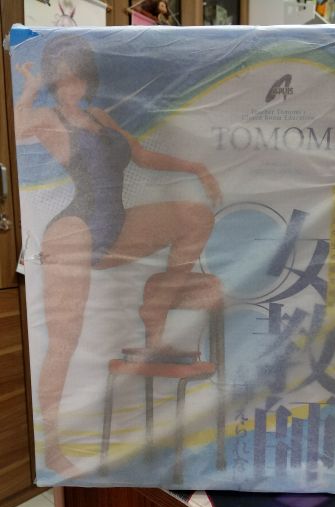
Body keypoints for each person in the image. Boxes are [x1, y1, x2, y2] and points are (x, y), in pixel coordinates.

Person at [15, 35, 222, 477]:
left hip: (117, 223)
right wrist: (29, 91)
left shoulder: (100, 116)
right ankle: (53, 447)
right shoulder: (49, 118)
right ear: (54, 81)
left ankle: (157, 306)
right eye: (62, 79)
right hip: (73, 231)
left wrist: (196, 167)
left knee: (195, 216)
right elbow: (13, 130)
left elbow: (141, 154)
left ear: (87, 78)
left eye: (77, 77)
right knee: (64, 342)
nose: (71, 86)